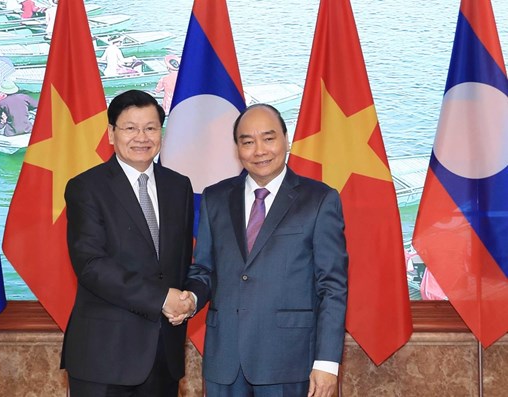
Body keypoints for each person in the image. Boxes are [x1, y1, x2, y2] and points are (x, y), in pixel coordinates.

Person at [178, 104, 348, 397]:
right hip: (224, 360)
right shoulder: (215, 198)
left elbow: (332, 286)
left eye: (269, 138)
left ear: (286, 140)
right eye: (247, 142)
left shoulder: (319, 199)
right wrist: (191, 297)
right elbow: (204, 269)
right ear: (237, 148)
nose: (259, 150)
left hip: (289, 360)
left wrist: (327, 362)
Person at [61, 90, 195, 397]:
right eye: (130, 128)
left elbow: (182, 262)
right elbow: (91, 265)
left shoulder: (179, 186)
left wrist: (189, 300)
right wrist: (163, 298)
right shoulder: (86, 187)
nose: (141, 137)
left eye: (150, 128)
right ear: (111, 133)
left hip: (164, 354)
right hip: (104, 357)